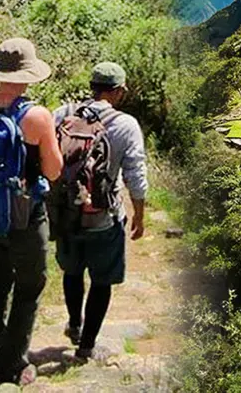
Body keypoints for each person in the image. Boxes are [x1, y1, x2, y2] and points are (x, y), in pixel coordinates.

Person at [0, 38, 62, 385]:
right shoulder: (36, 116)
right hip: (24, 215)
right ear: (28, 76)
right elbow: (53, 171)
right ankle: (13, 364)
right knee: (31, 284)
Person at [53, 62, 147, 361]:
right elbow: (135, 174)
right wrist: (139, 214)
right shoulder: (125, 124)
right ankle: (87, 346)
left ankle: (75, 324)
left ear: (92, 85)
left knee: (72, 270)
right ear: (118, 91)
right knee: (102, 280)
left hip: (66, 213)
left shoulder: (63, 114)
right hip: (104, 218)